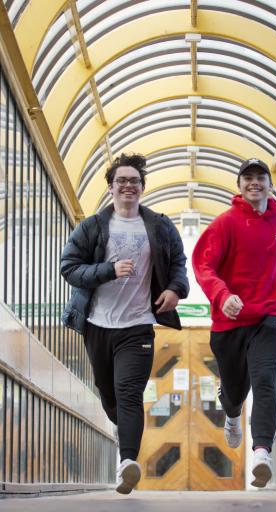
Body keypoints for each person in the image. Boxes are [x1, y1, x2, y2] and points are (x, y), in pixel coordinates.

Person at [60, 153, 189, 494]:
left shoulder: (159, 226)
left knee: (129, 393)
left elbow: (178, 262)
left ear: (142, 187)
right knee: (108, 394)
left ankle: (127, 463)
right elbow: (69, 267)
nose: (128, 186)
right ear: (111, 187)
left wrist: (176, 289)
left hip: (138, 325)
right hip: (98, 325)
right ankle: (122, 431)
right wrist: (107, 270)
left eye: (134, 180)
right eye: (122, 181)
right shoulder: (93, 227)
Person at [192, 157, 276, 488]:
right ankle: (231, 414)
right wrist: (223, 295)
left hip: (270, 319)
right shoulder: (225, 224)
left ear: (270, 184)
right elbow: (203, 266)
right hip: (230, 324)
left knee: (265, 381)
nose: (254, 182)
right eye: (247, 178)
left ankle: (261, 453)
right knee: (234, 391)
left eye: (260, 177)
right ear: (239, 185)